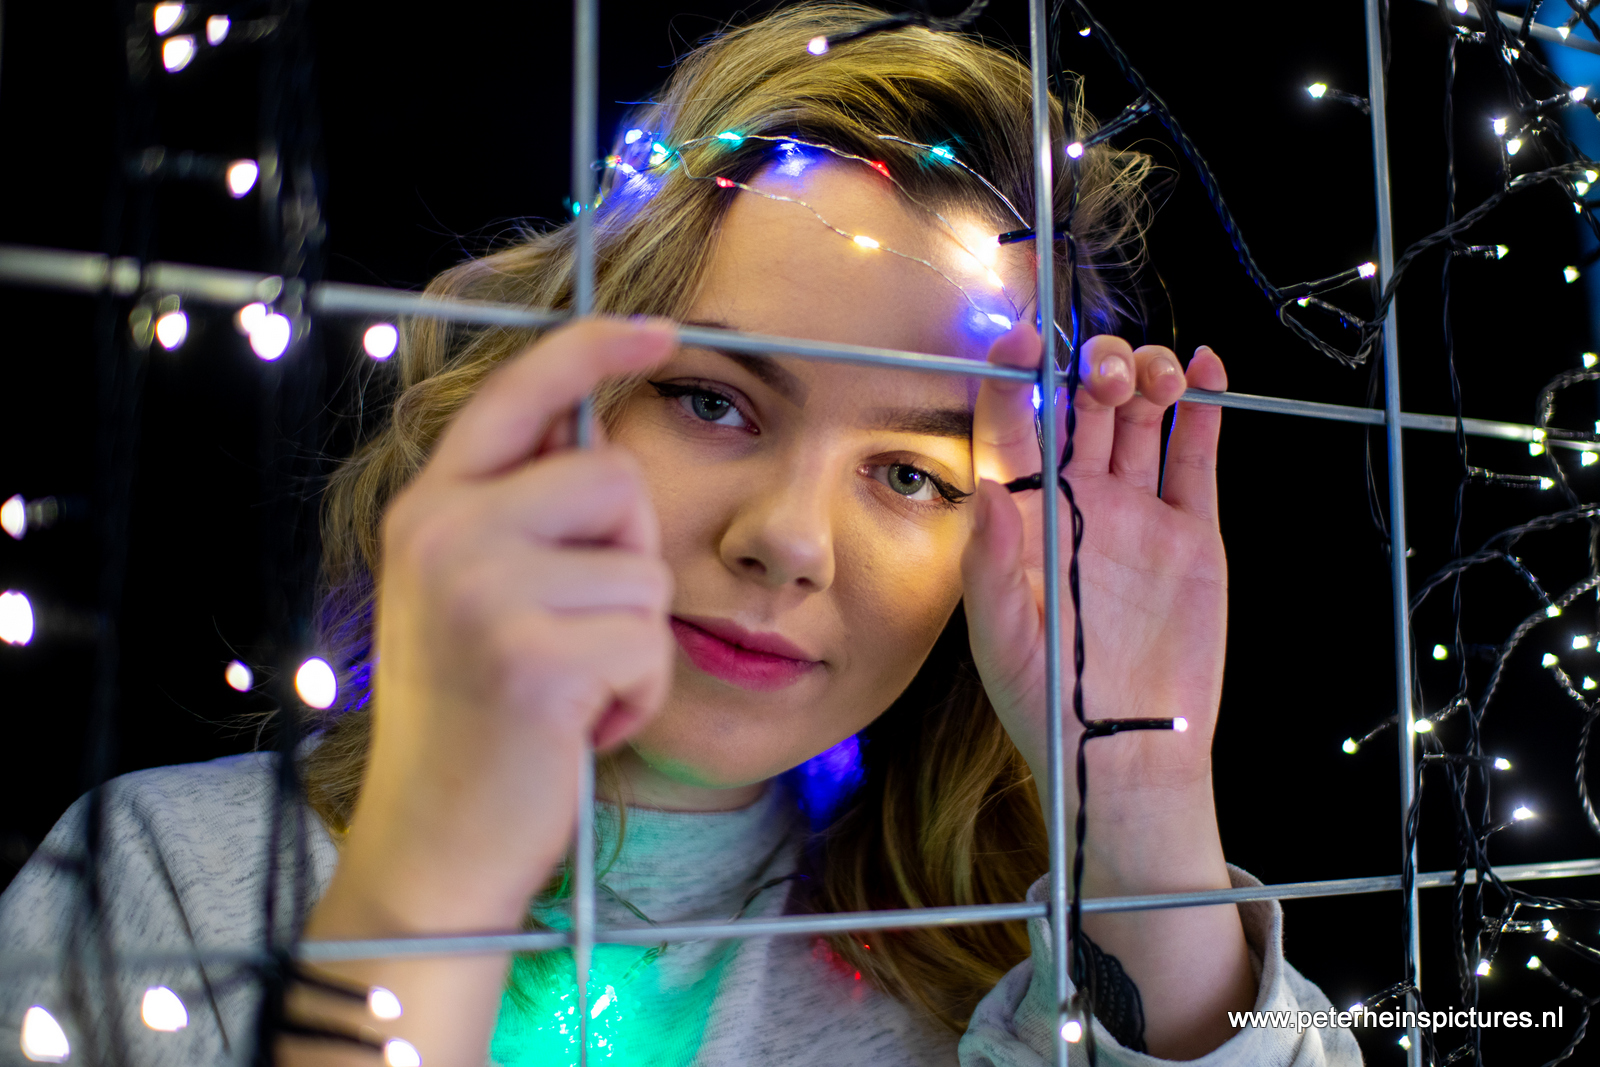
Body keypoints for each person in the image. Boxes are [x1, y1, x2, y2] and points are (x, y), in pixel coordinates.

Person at [1, 4, 1362, 1065]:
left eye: (909, 474)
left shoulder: (1016, 990)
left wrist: (1142, 819)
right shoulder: (164, 881)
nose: (788, 541)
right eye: (713, 402)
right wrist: (431, 865)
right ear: (553, 393)